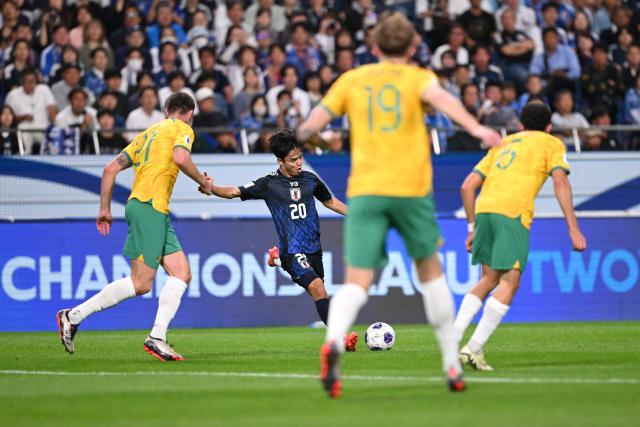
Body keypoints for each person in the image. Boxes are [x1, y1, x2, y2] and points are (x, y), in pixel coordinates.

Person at [297, 13, 502, 398]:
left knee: (357, 281)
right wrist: (478, 129)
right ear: (412, 48)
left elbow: (309, 128)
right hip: (411, 192)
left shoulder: (352, 80)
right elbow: (444, 102)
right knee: (431, 274)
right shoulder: (419, 78)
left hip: (367, 192)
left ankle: (335, 342)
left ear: (374, 47)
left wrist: (318, 140)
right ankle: (451, 364)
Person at [57, 92, 213, 361]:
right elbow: (180, 157)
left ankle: (157, 336)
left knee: (182, 273)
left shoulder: (147, 134)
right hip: (149, 207)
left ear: (166, 110)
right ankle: (73, 316)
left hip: (150, 209)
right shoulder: (182, 128)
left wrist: (105, 209)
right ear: (190, 113)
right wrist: (203, 181)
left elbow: (109, 169)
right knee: (141, 283)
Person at [454, 102, 587, 371]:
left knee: (489, 278)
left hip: (485, 209)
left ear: (521, 125)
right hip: (512, 213)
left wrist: (472, 227)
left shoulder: (504, 142)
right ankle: (473, 347)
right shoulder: (551, 144)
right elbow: (560, 182)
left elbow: (468, 186)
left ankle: (453, 341)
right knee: (510, 282)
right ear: (549, 127)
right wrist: (573, 227)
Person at [200, 129, 357, 350]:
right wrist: (211, 189)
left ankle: (276, 260)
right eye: (293, 160)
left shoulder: (311, 180)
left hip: (314, 248)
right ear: (280, 161)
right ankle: (340, 338)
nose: (299, 163)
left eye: (300, 157)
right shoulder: (269, 184)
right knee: (317, 287)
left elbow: (330, 201)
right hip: (293, 250)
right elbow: (234, 191)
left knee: (319, 290)